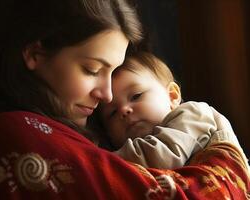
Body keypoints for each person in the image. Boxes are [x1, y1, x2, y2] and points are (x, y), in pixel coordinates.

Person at [0, 0, 249, 199]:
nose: (106, 95)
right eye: (92, 69)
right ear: (35, 53)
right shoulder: (11, 136)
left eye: (111, 72)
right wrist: (225, 157)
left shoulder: (193, 115)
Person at [96, 51, 250, 170]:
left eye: (136, 96)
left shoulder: (193, 114)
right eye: (112, 113)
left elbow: (163, 155)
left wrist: (99, 162)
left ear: (172, 96)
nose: (124, 110)